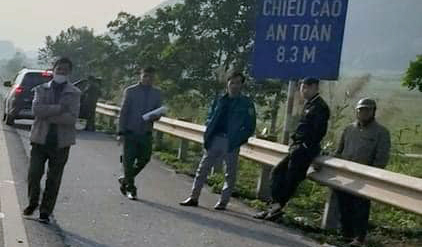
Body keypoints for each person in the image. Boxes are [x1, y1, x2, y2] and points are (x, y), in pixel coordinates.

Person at [180, 72, 257, 210]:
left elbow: (250, 126)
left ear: (242, 85)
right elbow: (210, 117)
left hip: (231, 142)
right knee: (202, 169)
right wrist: (208, 133)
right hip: (215, 138)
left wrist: (239, 138)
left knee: (230, 173)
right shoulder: (220, 100)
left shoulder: (246, 103)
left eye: (238, 83)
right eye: (232, 82)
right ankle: (193, 197)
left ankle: (223, 202)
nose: (234, 86)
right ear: (227, 83)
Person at [256, 77, 329, 221]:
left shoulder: (320, 107)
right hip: (297, 147)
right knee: (277, 173)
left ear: (315, 87)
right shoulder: (309, 104)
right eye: (302, 87)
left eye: (306, 87)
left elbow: (318, 131)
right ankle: (275, 207)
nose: (303, 91)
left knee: (290, 180)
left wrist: (305, 146)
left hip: (304, 150)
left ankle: (276, 208)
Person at [23, 57, 81, 224]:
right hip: (40, 139)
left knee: (53, 179)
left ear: (69, 72)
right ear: (53, 69)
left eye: (65, 70)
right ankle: (33, 203)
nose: (61, 72)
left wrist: (48, 115)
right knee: (34, 175)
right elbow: (36, 110)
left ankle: (45, 211)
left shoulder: (75, 93)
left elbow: (71, 118)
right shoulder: (41, 89)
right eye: (59, 69)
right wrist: (58, 109)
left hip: (61, 143)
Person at [330, 97, 391, 244]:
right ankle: (345, 235)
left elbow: (381, 158)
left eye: (367, 110)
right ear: (356, 111)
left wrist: (372, 175)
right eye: (361, 110)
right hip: (346, 174)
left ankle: (359, 238)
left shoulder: (381, 133)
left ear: (373, 112)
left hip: (365, 177)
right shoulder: (348, 129)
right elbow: (339, 151)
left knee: (360, 208)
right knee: (344, 207)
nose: (363, 113)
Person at [117, 67, 164, 199]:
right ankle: (131, 188)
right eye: (146, 76)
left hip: (146, 132)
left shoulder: (157, 93)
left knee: (145, 159)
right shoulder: (131, 91)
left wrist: (156, 115)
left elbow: (159, 111)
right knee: (128, 161)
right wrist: (120, 131)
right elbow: (123, 112)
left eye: (151, 77)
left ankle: (125, 178)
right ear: (141, 76)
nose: (148, 79)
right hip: (130, 132)